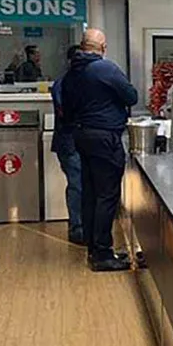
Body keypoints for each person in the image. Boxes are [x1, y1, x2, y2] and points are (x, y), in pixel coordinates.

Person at [61, 28, 139, 272]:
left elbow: (68, 107)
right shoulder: (105, 69)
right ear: (102, 48)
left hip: (82, 136)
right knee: (107, 195)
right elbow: (131, 96)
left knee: (91, 193)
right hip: (105, 138)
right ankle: (104, 254)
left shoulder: (72, 73)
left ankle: (93, 249)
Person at [52, 45, 83, 245]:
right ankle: (77, 229)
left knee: (80, 184)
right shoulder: (64, 84)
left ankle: (82, 226)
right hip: (69, 142)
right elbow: (68, 113)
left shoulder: (71, 82)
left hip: (74, 141)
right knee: (77, 185)